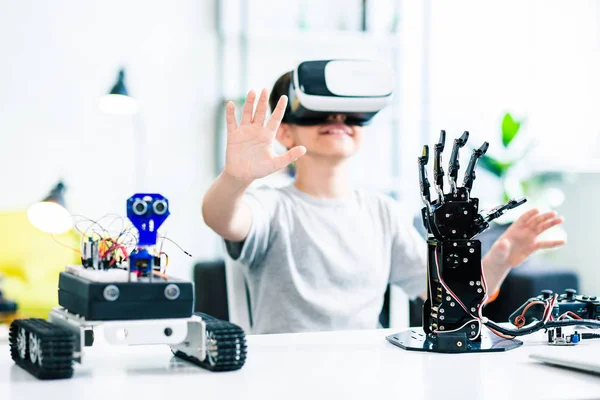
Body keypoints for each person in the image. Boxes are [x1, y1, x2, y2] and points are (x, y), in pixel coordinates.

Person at [202, 70, 565, 334]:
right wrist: (236, 179)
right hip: (287, 374)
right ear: (284, 131)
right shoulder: (272, 207)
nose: (338, 119)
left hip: (368, 372)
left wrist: (502, 255)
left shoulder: (382, 212)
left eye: (350, 113)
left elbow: (446, 297)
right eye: (320, 112)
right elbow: (222, 218)